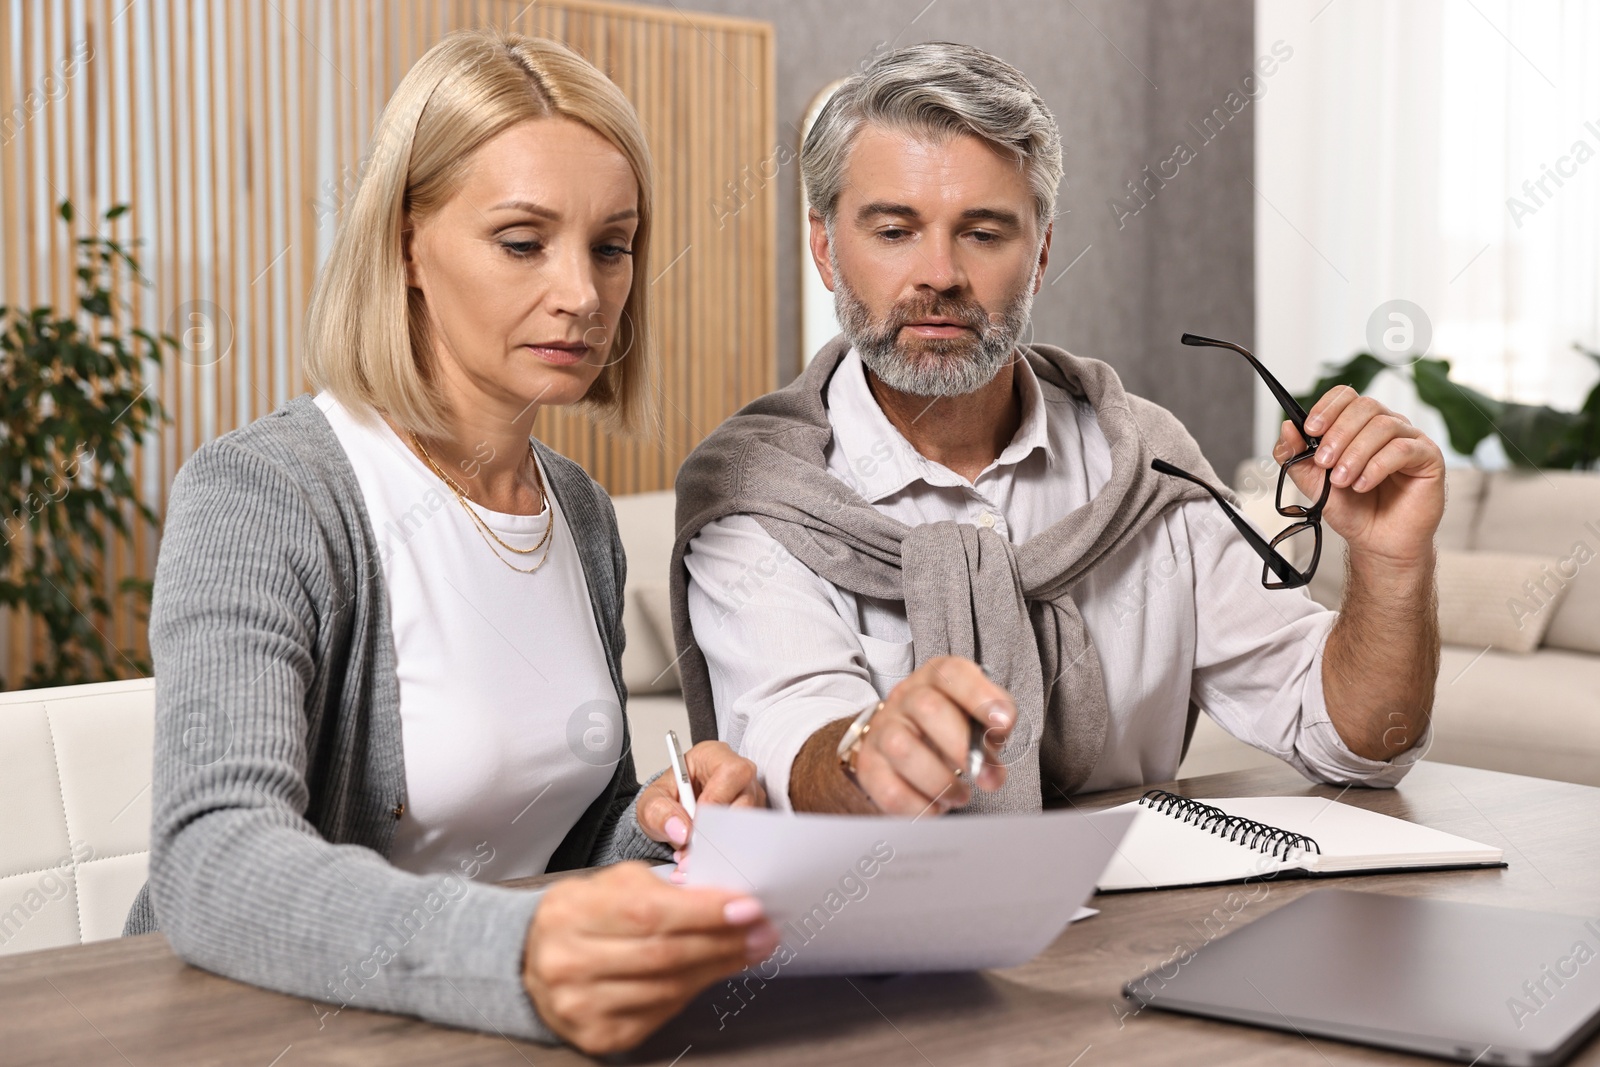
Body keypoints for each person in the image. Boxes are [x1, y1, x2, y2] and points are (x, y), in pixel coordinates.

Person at [123, 29, 777, 1055]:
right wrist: (509, 949)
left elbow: (557, 841)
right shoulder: (269, 492)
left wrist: (650, 819)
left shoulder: (581, 511)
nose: (582, 292)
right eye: (522, 242)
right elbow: (213, 858)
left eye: (612, 244)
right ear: (405, 243)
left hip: (477, 1028)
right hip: (261, 1030)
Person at [670, 42, 1444, 817]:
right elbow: (789, 749)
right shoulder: (758, 495)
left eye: (982, 232)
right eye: (895, 230)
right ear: (826, 249)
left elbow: (1358, 742)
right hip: (875, 929)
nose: (939, 273)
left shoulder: (1144, 468)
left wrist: (1392, 565)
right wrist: (870, 754)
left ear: (1039, 253)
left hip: (1139, 931)